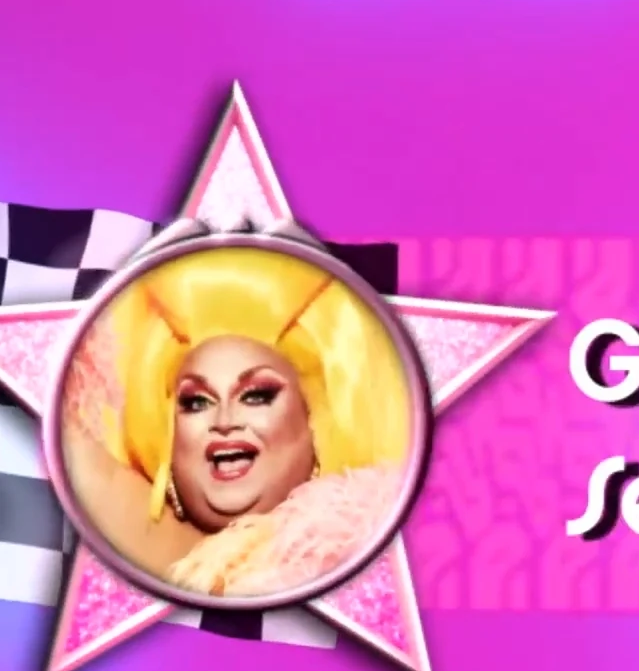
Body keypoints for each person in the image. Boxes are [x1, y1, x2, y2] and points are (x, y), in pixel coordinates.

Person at [63, 244, 412, 599]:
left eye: (256, 396)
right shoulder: (114, 533)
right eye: (197, 402)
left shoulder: (370, 544)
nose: (225, 421)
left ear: (315, 422)